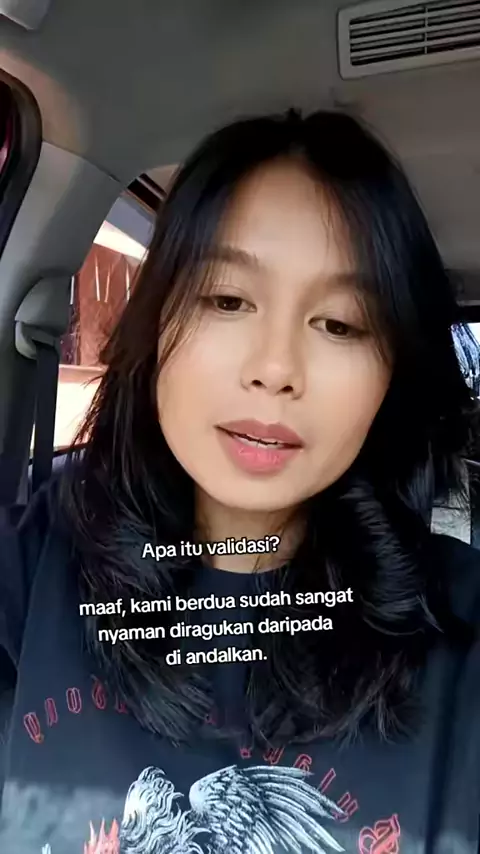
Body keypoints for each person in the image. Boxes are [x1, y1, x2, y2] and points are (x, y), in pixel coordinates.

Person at [0, 108, 479, 854]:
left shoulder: (460, 630)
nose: (276, 368)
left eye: (341, 324)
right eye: (228, 300)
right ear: (158, 323)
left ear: (393, 375)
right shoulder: (36, 565)